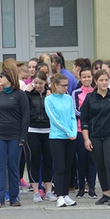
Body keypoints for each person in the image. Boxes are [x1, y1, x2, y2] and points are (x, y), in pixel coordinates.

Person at [81, 70, 110, 206]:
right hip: (95, 136)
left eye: (106, 80)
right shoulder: (90, 98)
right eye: (101, 80)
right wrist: (86, 139)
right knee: (100, 165)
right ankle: (105, 193)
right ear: (96, 82)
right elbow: (84, 120)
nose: (104, 83)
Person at [0, 67, 29, 208]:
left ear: (10, 78)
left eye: (2, 76)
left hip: (15, 136)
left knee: (13, 166)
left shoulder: (20, 95)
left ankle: (14, 197)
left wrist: (23, 137)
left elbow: (25, 117)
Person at [44, 73, 78, 208]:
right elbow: (54, 119)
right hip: (57, 137)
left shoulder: (68, 98)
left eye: (67, 85)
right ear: (55, 85)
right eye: (63, 86)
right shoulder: (49, 99)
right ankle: (59, 195)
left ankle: (65, 194)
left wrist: (74, 132)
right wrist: (68, 131)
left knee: (68, 166)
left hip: (71, 137)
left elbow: (72, 116)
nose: (66, 88)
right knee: (60, 167)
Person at [25, 70, 54, 202]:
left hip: (48, 130)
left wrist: (51, 97)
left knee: (48, 161)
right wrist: (26, 92)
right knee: (34, 161)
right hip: (32, 130)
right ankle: (36, 191)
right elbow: (23, 107)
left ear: (45, 82)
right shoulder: (28, 94)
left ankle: (49, 191)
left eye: (40, 83)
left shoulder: (50, 93)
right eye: (35, 83)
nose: (37, 86)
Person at [72, 68, 97, 198]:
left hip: (94, 130)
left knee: (92, 160)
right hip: (80, 130)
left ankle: (92, 187)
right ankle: (81, 187)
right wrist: (86, 114)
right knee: (81, 159)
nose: (87, 79)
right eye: (84, 77)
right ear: (80, 79)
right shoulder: (76, 93)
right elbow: (74, 110)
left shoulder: (96, 92)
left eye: (89, 77)